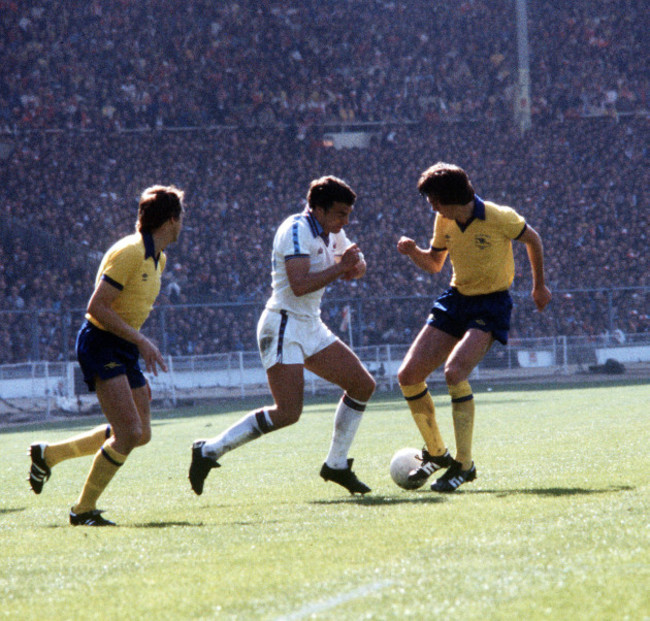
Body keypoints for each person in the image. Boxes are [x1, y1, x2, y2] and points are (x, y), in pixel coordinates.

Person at [189, 175, 375, 496]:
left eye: (347, 214)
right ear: (317, 208)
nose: (346, 220)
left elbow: (354, 267)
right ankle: (208, 451)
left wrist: (355, 266)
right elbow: (300, 284)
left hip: (311, 325)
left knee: (362, 385)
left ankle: (336, 465)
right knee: (288, 413)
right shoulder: (295, 230)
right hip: (283, 325)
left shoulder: (332, 230)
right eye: (340, 214)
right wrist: (342, 267)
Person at [28, 185, 185, 525]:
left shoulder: (159, 257)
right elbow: (97, 307)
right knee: (128, 432)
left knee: (140, 433)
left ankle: (48, 455)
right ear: (171, 220)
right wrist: (142, 342)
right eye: (181, 217)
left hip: (123, 346)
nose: (182, 224)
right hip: (100, 342)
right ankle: (82, 511)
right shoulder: (129, 252)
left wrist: (136, 346)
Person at [396, 162, 551, 492]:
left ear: (450, 197)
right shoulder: (445, 219)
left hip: (491, 303)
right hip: (456, 299)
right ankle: (438, 455)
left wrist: (539, 287)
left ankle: (464, 466)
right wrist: (413, 253)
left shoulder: (498, 216)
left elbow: (533, 240)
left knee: (454, 373)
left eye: (434, 200)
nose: (431, 206)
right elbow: (435, 263)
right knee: (408, 376)